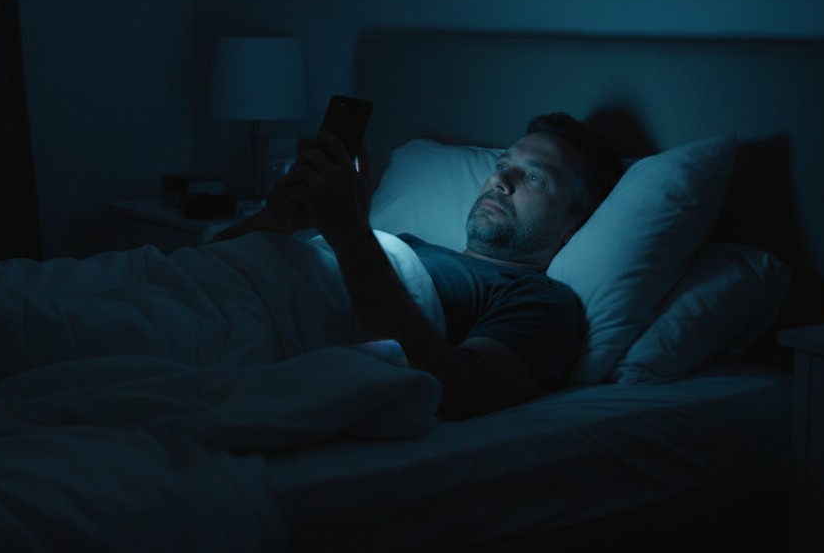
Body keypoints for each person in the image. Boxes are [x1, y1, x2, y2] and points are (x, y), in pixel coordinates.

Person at [215, 112, 622, 418]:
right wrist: (276, 218)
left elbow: (453, 390)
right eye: (502, 165)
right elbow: (218, 267)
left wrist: (351, 234)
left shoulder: (541, 301)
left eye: (534, 178)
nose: (502, 181)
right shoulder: (407, 245)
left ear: (575, 224)